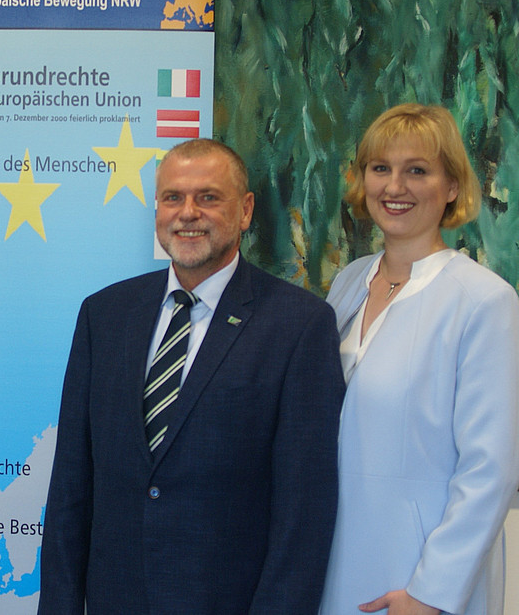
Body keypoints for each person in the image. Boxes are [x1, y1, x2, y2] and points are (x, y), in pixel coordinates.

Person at [39, 138, 346, 614]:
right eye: (172, 197)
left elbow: (304, 512)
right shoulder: (105, 315)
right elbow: (70, 486)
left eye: (208, 197)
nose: (187, 213)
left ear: (245, 211)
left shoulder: (299, 325)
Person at [319, 104, 519, 615]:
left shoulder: (483, 301)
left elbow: (490, 468)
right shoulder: (347, 284)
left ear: (452, 186)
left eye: (417, 170)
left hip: (417, 579)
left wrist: (432, 591)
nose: (394, 186)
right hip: (333, 558)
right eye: (380, 168)